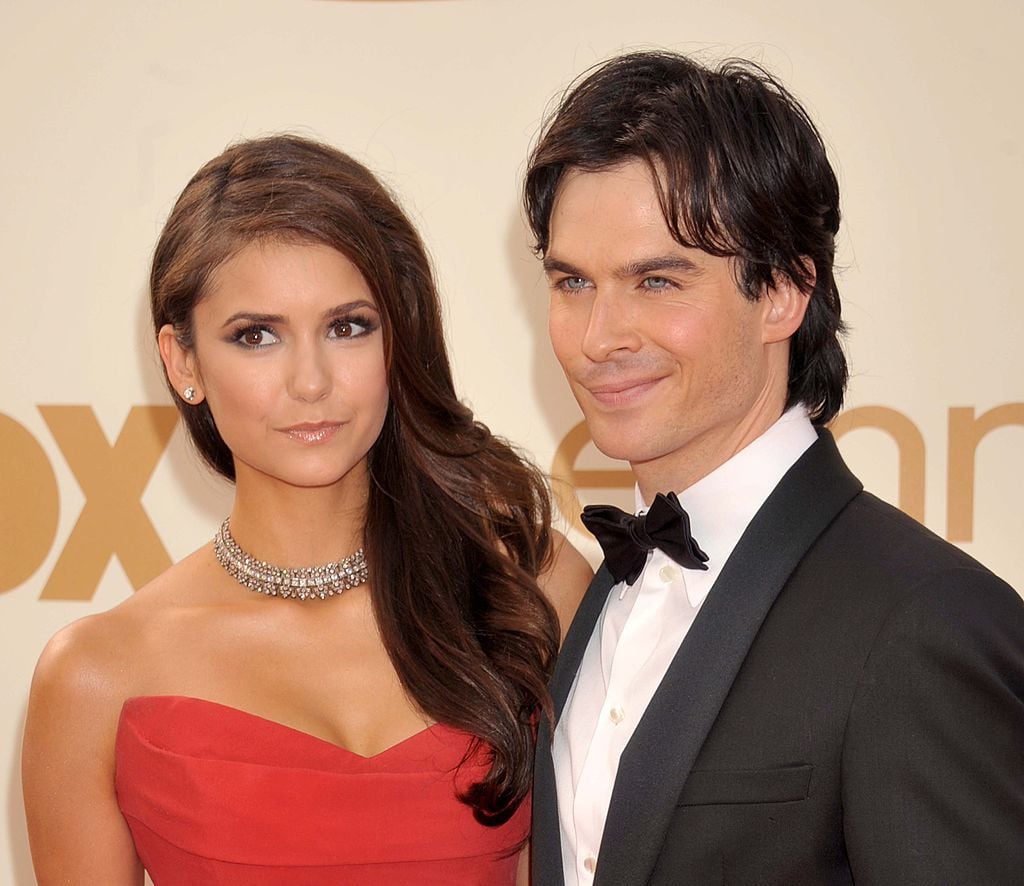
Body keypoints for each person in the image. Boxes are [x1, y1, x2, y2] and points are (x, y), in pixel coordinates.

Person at [22, 134, 591, 885]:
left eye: (347, 326)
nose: (311, 382)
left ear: (397, 338)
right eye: (256, 336)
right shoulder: (96, 679)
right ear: (183, 361)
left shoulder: (529, 589)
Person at [523, 51, 1024, 885]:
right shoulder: (603, 594)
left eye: (657, 281)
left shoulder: (923, 621)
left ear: (785, 291)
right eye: (573, 282)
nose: (598, 337)